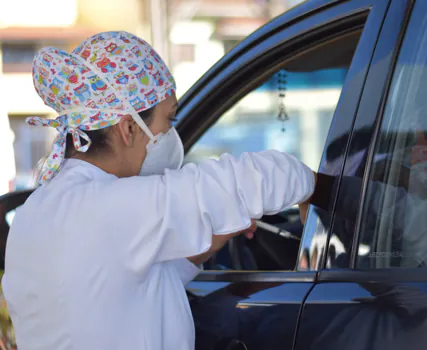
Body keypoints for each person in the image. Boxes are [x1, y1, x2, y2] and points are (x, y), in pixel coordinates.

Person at [1, 31, 316, 350]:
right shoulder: (112, 208)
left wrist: (213, 236)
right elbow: (255, 178)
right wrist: (315, 186)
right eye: (168, 120)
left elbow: (130, 287)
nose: (170, 134)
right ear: (128, 128)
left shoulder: (34, 213)